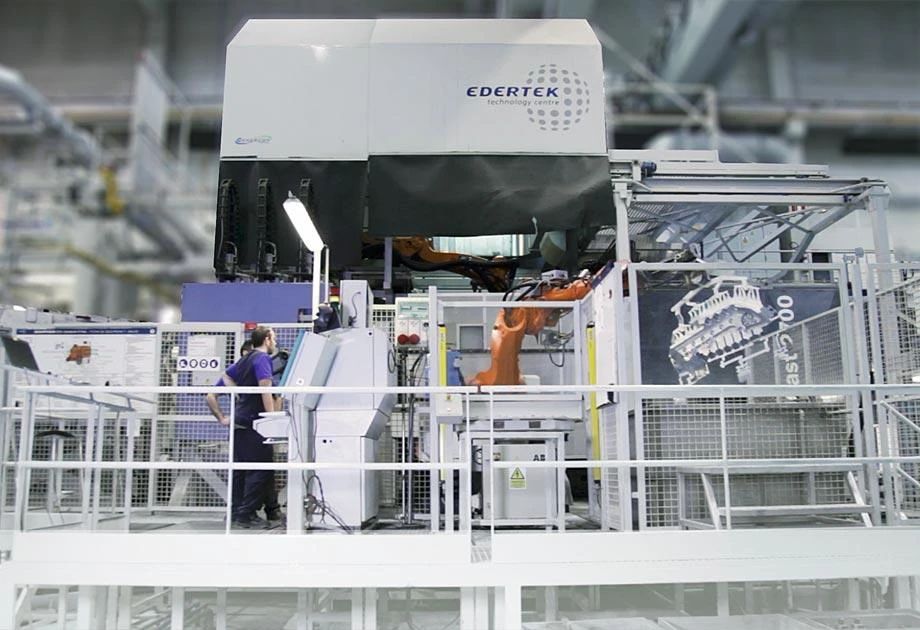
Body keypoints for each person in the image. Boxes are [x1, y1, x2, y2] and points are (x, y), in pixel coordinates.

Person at [206, 326, 282, 528]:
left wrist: (238, 393)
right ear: (266, 339)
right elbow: (265, 389)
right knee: (261, 470)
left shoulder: (245, 359)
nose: (275, 342)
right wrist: (271, 418)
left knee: (240, 471)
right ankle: (246, 514)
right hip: (253, 422)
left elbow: (226, 376)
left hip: (240, 420)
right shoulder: (263, 358)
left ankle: (236, 513)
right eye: (273, 338)